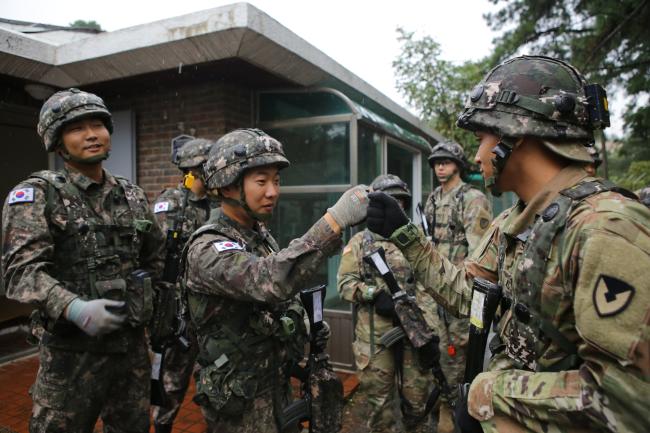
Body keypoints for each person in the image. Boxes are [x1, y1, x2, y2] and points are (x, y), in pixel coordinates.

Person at [366, 55, 650, 433]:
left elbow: (628, 401)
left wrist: (489, 395)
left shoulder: (606, 228)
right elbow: (470, 295)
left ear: (515, 136)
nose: (479, 155)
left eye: (483, 138)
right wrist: (407, 236)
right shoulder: (515, 223)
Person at [181, 128, 368, 433]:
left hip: (272, 386)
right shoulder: (208, 247)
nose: (273, 191)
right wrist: (334, 220)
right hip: (238, 401)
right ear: (227, 186)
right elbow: (267, 279)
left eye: (276, 181)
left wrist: (305, 324)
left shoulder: (257, 235)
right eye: (261, 181)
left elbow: (281, 296)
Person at [2, 88, 165, 432]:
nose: (92, 135)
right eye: (77, 128)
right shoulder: (37, 195)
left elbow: (156, 256)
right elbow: (21, 273)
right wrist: (74, 307)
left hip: (130, 353)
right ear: (58, 143)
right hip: (71, 359)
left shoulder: (131, 195)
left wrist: (149, 304)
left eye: (97, 125)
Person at [337, 174, 435, 433]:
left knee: (419, 402)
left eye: (401, 202)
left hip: (414, 332)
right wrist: (372, 294)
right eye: (391, 201)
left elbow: (430, 285)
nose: (398, 207)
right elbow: (345, 283)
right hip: (375, 338)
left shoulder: (414, 242)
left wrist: (431, 332)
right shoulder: (359, 243)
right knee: (379, 405)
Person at [424, 141, 492, 432]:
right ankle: (444, 411)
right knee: (435, 356)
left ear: (458, 165)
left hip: (461, 293)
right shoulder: (433, 199)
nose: (440, 166)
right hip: (433, 293)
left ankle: (461, 414)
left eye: (446, 161)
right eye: (436, 162)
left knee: (461, 360)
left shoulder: (472, 199)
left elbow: (479, 255)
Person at [151, 138, 216, 433]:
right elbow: (156, 257)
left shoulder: (214, 206)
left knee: (215, 380)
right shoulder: (171, 203)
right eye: (207, 166)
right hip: (178, 314)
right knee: (171, 383)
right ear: (193, 168)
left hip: (209, 312)